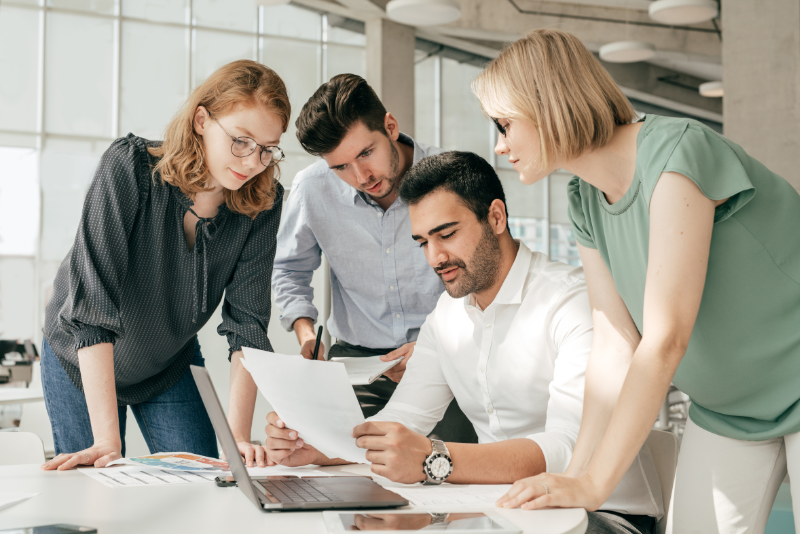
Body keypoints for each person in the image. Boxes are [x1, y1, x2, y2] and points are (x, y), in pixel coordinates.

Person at [473, 28, 800, 534]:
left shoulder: (675, 155)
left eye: (504, 124)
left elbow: (665, 338)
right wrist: (574, 479)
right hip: (728, 412)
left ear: (546, 104)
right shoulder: (584, 198)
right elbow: (615, 345)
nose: (499, 145)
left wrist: (596, 485)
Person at [265, 151, 663, 534]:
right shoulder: (446, 315)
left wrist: (435, 460)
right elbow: (404, 418)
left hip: (599, 516)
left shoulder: (572, 301)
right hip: (498, 511)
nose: (435, 257)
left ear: (495, 217)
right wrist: (320, 448)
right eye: (422, 242)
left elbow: (569, 449)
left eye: (447, 234)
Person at [41, 60, 290, 471]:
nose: (251, 163)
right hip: (80, 355)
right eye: (241, 141)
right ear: (201, 120)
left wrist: (238, 438)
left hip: (169, 361)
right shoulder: (131, 168)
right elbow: (92, 309)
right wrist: (107, 439)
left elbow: (247, 325)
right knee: (94, 486)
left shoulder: (263, 203)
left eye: (267, 150)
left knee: (204, 485)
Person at [272, 74, 476, 443]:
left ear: (391, 127)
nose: (361, 176)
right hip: (355, 363)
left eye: (366, 153)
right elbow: (289, 270)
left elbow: (483, 277)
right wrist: (306, 334)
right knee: (321, 454)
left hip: (444, 357)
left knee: (445, 466)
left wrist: (439, 347)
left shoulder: (450, 180)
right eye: (341, 167)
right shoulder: (312, 188)